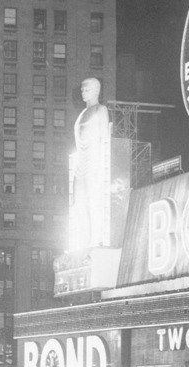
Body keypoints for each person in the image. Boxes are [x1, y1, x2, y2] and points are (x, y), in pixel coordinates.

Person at [71, 77, 111, 249]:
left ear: (96, 90)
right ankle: (83, 240)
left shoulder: (100, 110)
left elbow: (105, 138)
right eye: (82, 89)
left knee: (93, 201)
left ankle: (96, 238)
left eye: (86, 89)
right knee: (79, 203)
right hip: (80, 163)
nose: (83, 92)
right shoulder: (81, 114)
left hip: (94, 162)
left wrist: (103, 164)